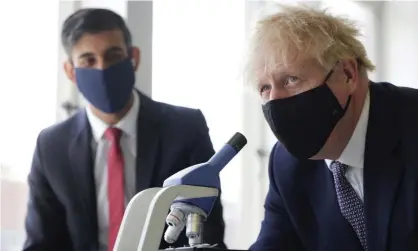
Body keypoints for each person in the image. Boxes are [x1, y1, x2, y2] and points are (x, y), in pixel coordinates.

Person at [23, 8, 226, 251]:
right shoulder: (52, 147)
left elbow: (207, 233)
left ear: (134, 58)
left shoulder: (185, 129)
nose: (102, 69)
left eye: (113, 55)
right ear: (70, 71)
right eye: (88, 60)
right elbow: (41, 243)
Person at [245, 5, 418, 251]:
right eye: (264, 88)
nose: (275, 100)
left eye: (291, 80)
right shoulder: (287, 165)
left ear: (347, 74)